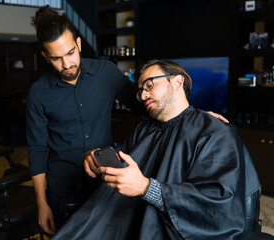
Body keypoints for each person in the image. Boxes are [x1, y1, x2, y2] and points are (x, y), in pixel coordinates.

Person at [27, 6, 228, 235]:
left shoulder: (106, 73)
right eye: (56, 58)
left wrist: (194, 116)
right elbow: (35, 149)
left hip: (103, 183)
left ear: (79, 44)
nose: (67, 64)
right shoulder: (38, 93)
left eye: (71, 53)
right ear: (45, 56)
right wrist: (42, 204)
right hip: (61, 188)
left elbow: (148, 105)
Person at [51, 59, 261, 239]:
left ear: (177, 81)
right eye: (140, 90)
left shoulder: (214, 132)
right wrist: (95, 157)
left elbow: (218, 203)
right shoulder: (144, 130)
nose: (143, 95)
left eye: (149, 85)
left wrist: (146, 188)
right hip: (130, 222)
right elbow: (120, 156)